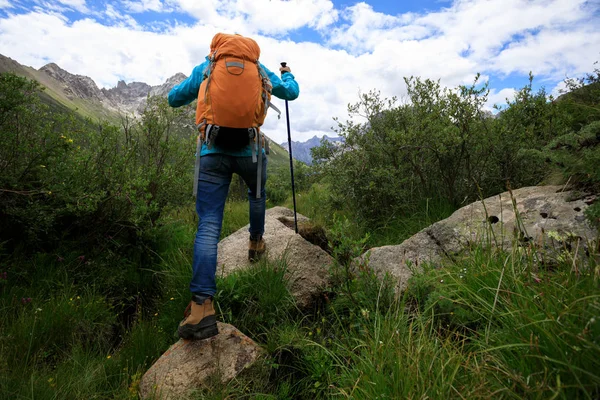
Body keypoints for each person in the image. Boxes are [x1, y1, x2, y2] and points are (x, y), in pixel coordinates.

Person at [168, 33, 300, 340]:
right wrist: (288, 74)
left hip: (213, 153)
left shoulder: (207, 66)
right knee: (257, 195)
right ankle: (256, 242)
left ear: (218, 47)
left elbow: (174, 98)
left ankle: (201, 308)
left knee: (209, 224)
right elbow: (291, 93)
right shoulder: (260, 68)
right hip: (250, 151)